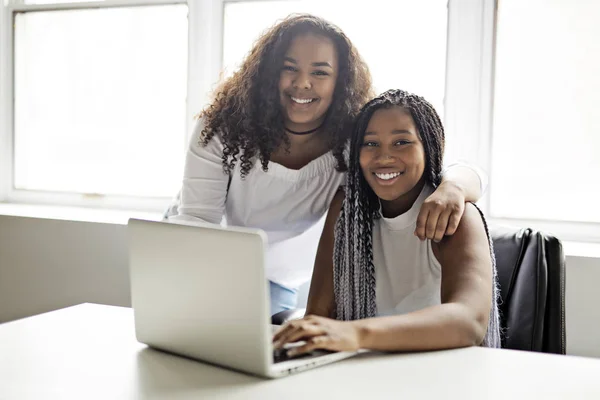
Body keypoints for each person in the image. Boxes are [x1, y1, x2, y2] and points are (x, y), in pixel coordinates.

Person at [166, 15, 488, 316]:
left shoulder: (356, 141)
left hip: (278, 278)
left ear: (340, 82)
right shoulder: (227, 125)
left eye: (320, 72)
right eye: (288, 68)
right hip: (204, 257)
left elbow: (442, 165)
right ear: (269, 73)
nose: (302, 83)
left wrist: (454, 187)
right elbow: (196, 222)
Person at [273, 89, 501, 356]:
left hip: (441, 374)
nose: (384, 157)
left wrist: (358, 334)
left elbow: (469, 322)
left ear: (429, 147)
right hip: (365, 370)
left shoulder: (456, 215)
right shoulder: (347, 211)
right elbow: (318, 314)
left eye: (401, 142)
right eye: (370, 144)